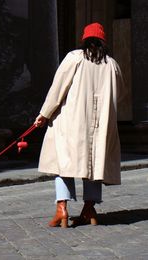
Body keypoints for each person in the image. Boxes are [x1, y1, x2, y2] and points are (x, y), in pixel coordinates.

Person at [34, 22, 126, 228]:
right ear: (103, 42)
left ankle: (62, 209)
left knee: (62, 161)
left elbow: (57, 89)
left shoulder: (75, 58)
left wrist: (44, 114)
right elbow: (120, 95)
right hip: (100, 125)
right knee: (94, 164)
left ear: (84, 40)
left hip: (71, 121)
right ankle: (89, 208)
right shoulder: (112, 64)